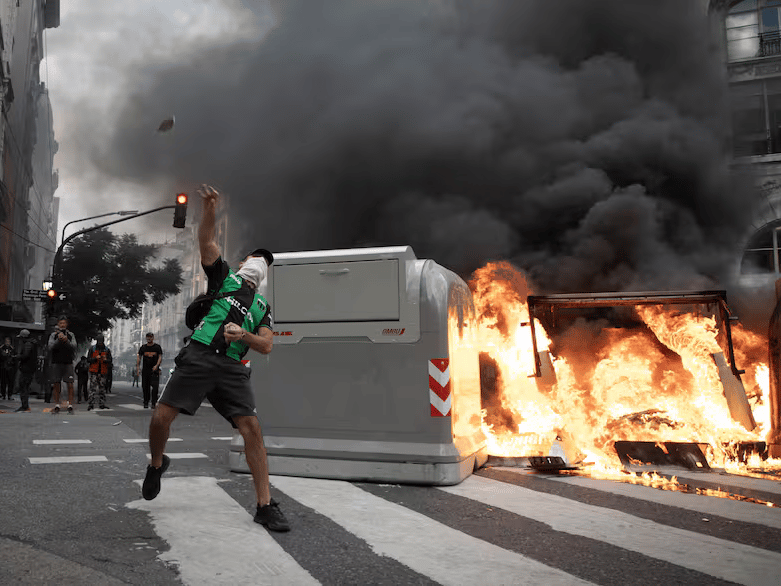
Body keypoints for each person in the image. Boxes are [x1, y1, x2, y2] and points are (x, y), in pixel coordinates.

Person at [143, 184, 289, 532]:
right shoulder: (225, 279)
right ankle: (157, 464)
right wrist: (209, 209)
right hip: (199, 356)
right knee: (161, 418)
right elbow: (206, 244)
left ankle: (265, 505)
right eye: (256, 257)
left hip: (232, 370)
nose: (260, 263)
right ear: (243, 263)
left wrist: (246, 336)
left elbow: (267, 345)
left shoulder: (263, 308)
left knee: (251, 429)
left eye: (265, 262)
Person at [48, 316, 77, 413]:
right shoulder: (53, 335)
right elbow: (50, 347)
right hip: (56, 362)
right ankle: (57, 404)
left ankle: (70, 405)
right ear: (58, 324)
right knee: (56, 384)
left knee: (70, 384)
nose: (62, 325)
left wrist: (66, 340)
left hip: (68, 362)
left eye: (64, 323)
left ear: (66, 324)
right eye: (60, 323)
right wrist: (58, 340)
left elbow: (74, 346)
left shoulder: (71, 334)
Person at [137, 333, 163, 408]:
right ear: (146, 338)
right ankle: (145, 402)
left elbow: (160, 357)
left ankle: (153, 403)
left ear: (153, 338)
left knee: (155, 388)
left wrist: (156, 365)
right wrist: (138, 367)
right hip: (145, 371)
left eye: (150, 337)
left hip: (154, 371)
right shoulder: (143, 348)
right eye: (147, 337)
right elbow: (139, 357)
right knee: (145, 387)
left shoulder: (157, 347)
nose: (149, 339)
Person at [87, 334, 112, 410]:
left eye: (101, 341)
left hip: (102, 372)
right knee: (92, 389)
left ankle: (102, 404)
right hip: (94, 372)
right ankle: (91, 404)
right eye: (99, 341)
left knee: (102, 389)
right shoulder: (92, 349)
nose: (100, 342)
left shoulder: (107, 350)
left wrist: (105, 360)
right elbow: (88, 359)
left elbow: (110, 361)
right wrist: (95, 358)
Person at [14, 330, 37, 412]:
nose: (20, 340)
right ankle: (25, 405)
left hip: (26, 368)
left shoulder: (28, 344)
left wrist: (17, 357)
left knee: (23, 386)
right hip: (30, 368)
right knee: (25, 387)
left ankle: (24, 406)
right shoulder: (32, 343)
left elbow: (25, 355)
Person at [0, 336, 16, 400]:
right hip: (3, 367)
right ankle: (3, 394)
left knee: (11, 382)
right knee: (3, 381)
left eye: (8, 341)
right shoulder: (1, 348)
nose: (7, 343)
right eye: (6, 341)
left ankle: (10, 395)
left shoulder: (12, 349)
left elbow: (14, 358)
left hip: (10, 367)